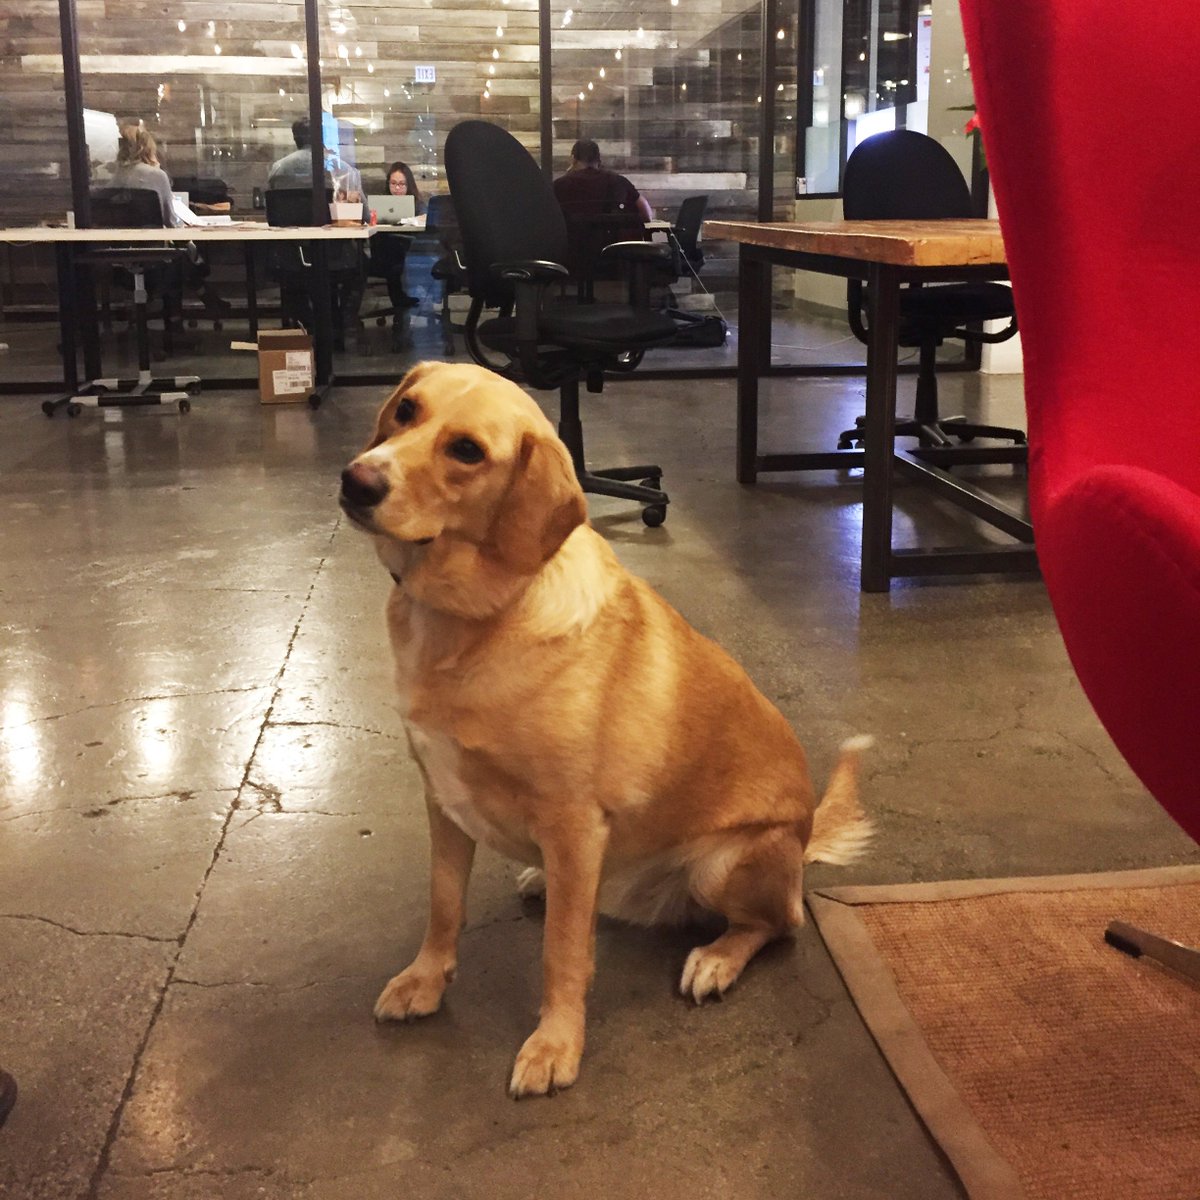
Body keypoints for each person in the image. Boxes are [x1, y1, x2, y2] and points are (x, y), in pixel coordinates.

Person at [369, 161, 425, 348]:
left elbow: (426, 219)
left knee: (399, 261)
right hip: (384, 256)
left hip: (411, 256)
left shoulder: (417, 203)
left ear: (409, 185)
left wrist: (413, 219)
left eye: (402, 184)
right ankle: (401, 310)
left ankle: (401, 311)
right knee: (394, 258)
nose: (397, 188)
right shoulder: (380, 204)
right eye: (393, 183)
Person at [552, 138, 653, 222]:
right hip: (612, 240)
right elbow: (647, 214)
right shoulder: (618, 181)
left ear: (573, 159)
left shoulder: (560, 185)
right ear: (598, 160)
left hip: (572, 240)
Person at [267, 117, 363, 202]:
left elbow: (271, 207)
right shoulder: (344, 170)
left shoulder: (278, 168)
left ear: (295, 138)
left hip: (288, 217)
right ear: (321, 137)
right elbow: (363, 212)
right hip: (334, 218)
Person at [109, 124, 179, 227]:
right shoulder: (157, 175)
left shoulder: (117, 175)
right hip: (150, 236)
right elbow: (170, 221)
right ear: (149, 149)